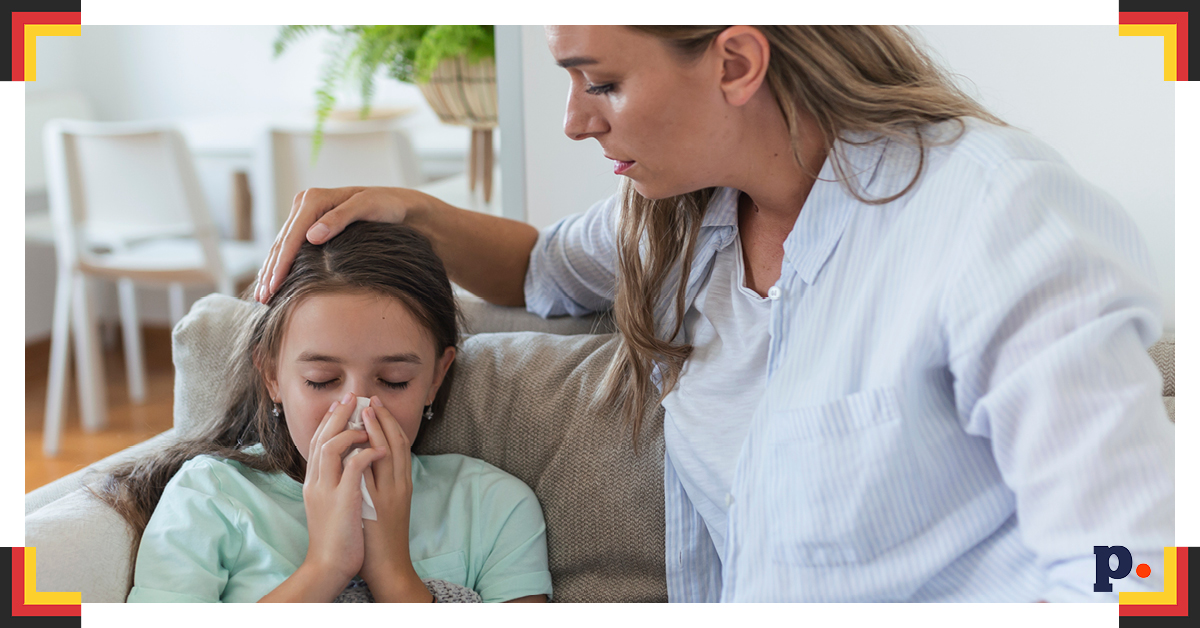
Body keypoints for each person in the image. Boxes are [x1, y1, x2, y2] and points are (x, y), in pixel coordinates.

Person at [254, 26, 1174, 602]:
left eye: (601, 82)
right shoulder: (678, 219)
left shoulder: (998, 217)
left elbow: (1128, 567)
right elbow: (541, 267)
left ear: (735, 60)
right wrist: (408, 212)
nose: (576, 121)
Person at [99, 222, 552, 603]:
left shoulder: (494, 506)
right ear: (272, 375)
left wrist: (393, 572)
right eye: (321, 380)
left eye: (395, 381)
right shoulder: (209, 498)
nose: (356, 409)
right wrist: (325, 566)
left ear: (436, 377)